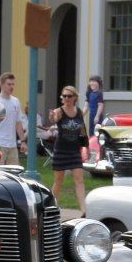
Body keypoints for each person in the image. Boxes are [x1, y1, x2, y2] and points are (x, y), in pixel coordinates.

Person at [48, 85, 89, 215]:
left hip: (74, 151)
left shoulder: (79, 112)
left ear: (75, 97)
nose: (66, 98)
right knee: (59, 181)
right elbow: (53, 119)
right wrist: (51, 117)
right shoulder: (59, 111)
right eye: (64, 96)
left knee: (79, 179)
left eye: (69, 96)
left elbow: (82, 129)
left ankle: (84, 209)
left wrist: (86, 147)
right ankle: (51, 206)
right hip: (61, 150)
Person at [0, 71, 26, 166]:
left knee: (14, 174)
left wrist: (23, 141)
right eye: (9, 84)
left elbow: (18, 123)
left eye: (13, 84)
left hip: (12, 146)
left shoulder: (16, 102)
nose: (11, 87)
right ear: (1, 84)